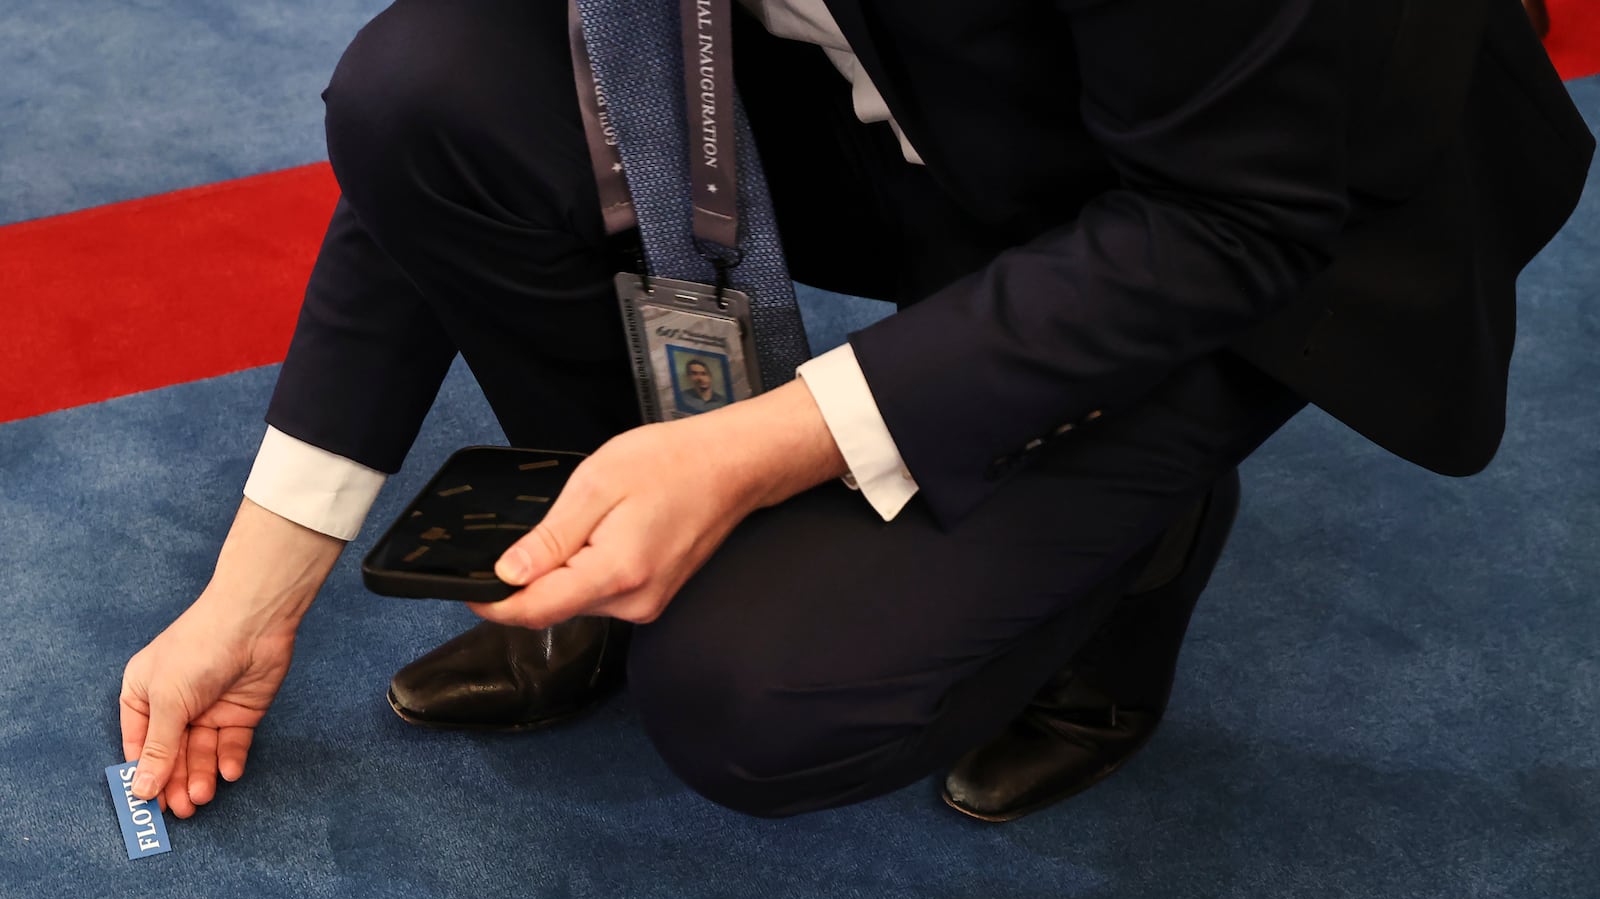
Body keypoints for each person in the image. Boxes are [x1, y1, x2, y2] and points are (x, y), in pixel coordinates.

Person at [120, 0, 1592, 823]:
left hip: (1232, 204)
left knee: (761, 694)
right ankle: (600, 534)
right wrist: (262, 582)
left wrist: (758, 446)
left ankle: (1131, 569)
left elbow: (1228, 225)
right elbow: (421, 164)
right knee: (421, 86)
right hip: (895, 80)